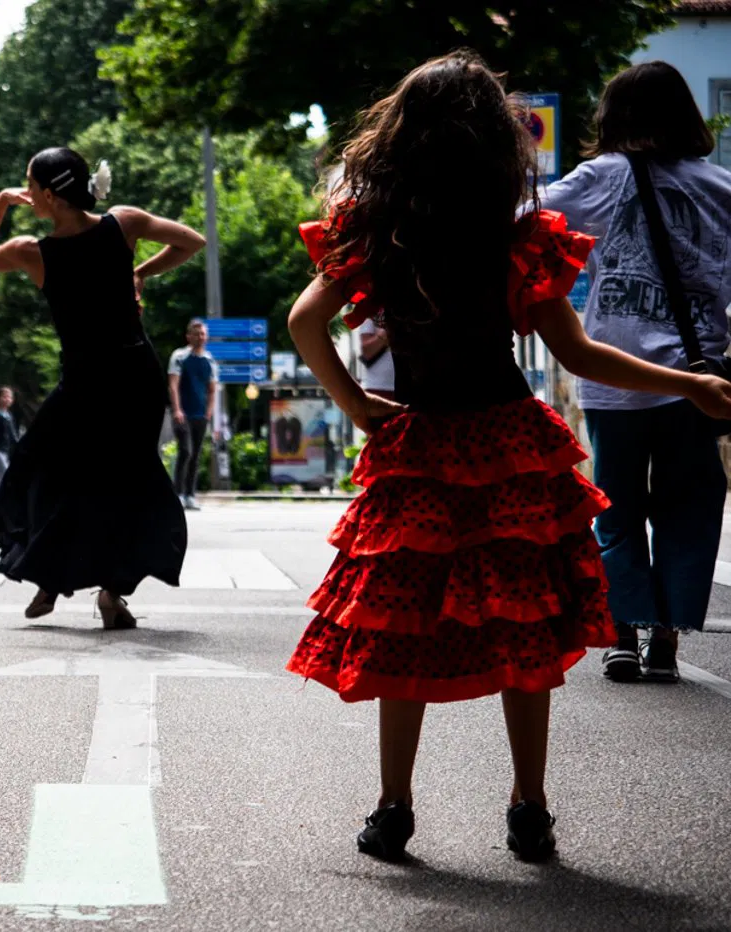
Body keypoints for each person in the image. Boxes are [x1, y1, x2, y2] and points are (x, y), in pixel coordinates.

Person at [285, 51, 731, 864]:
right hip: (508, 450)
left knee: (402, 632)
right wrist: (689, 384)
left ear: (402, 139)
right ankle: (530, 804)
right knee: (525, 632)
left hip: (416, 451)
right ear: (497, 142)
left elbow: (303, 324)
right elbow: (583, 355)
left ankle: (395, 807)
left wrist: (354, 405)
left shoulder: (378, 234)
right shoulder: (516, 240)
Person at [540, 61, 731, 685]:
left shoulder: (606, 176)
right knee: (689, 507)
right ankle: (667, 638)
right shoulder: (722, 188)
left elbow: (529, 216)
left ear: (615, 117)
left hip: (616, 373)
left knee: (616, 509)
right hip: (701, 378)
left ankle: (622, 632)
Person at [0, 148, 200, 628]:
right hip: (135, 374)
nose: (25, 194)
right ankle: (94, 589)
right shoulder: (122, 223)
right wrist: (141, 270)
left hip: (86, 380)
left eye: (29, 187)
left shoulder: (33, 251)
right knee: (124, 481)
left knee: (46, 471)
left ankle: (67, 582)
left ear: (49, 195)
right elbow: (190, 241)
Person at [167, 319, 219, 509]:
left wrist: (209, 412)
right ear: (189, 336)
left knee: (195, 455)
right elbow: (173, 384)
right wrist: (177, 409)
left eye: (203, 334)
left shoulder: (210, 360)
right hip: (183, 413)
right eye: (196, 334)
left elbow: (212, 389)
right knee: (185, 451)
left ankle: (190, 494)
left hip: (201, 415)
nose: (200, 337)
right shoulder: (179, 356)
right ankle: (178, 493)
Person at [355, 318, 395, 399]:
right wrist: (389, 330)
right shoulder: (372, 313)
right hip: (376, 388)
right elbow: (367, 351)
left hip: (410, 389)